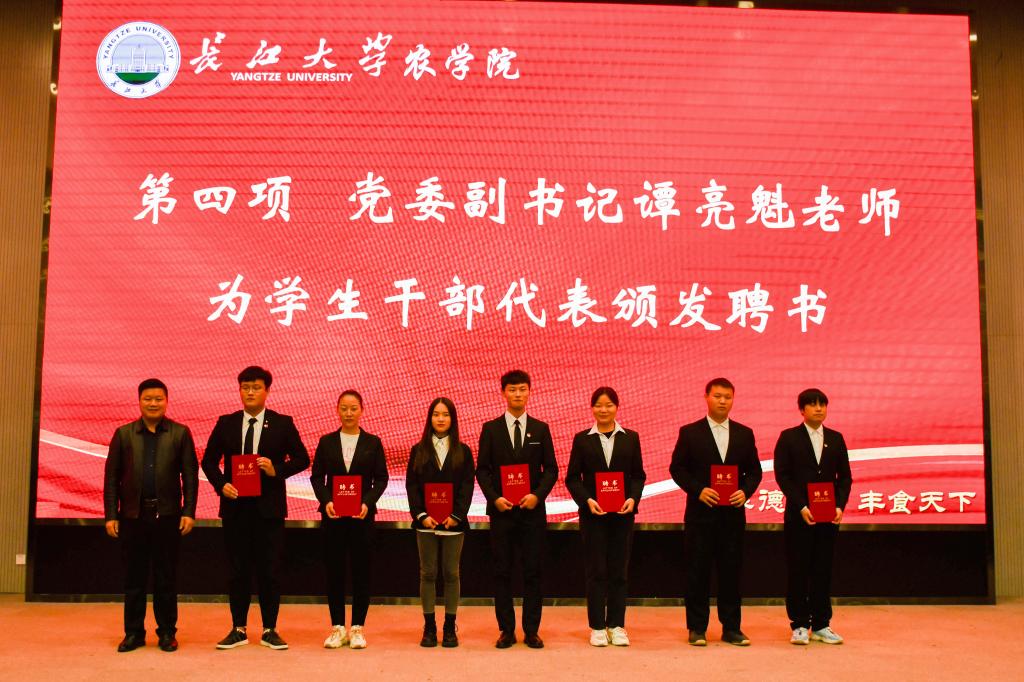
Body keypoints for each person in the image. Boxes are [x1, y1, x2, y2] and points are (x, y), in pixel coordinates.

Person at [201, 366, 310, 651]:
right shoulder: (226, 423)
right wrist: (221, 484)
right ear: (239, 390)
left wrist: (276, 470)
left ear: (267, 391)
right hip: (235, 508)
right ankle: (238, 628)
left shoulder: (282, 423)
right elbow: (209, 461)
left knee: (269, 571)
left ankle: (270, 629)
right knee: (237, 571)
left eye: (256, 387)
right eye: (245, 387)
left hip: (269, 511)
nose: (250, 392)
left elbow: (302, 459)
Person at [104, 378, 198, 653]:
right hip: (132, 518)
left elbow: (190, 477)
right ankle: (133, 633)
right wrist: (111, 515)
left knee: (165, 578)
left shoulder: (180, 433)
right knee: (134, 579)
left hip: (168, 517)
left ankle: (167, 632)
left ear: (166, 401)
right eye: (148, 398)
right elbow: (111, 478)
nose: (153, 403)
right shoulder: (124, 434)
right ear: (139, 401)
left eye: (158, 399)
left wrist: (189, 511)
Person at [669, 378, 762, 647]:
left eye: (727, 397)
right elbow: (677, 469)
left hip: (732, 516)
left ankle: (731, 628)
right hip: (700, 515)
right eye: (717, 396)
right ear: (706, 397)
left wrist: (745, 491)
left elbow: (754, 471)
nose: (722, 401)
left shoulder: (744, 434)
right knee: (697, 572)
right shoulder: (690, 432)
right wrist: (698, 490)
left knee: (731, 573)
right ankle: (697, 628)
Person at [476, 369, 558, 649]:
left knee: (533, 571)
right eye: (512, 389)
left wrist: (537, 495)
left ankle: (531, 630)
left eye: (522, 389)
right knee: (502, 572)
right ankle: (506, 630)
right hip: (502, 513)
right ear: (503, 393)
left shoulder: (540, 429)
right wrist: (495, 498)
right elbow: (482, 470)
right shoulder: (491, 429)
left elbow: (551, 469)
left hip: (532, 513)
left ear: (529, 392)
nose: (517, 394)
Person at [565, 387, 646, 648]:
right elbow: (572, 478)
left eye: (609, 405)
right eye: (599, 405)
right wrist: (587, 501)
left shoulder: (631, 438)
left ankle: (617, 625)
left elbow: (638, 476)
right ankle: (598, 626)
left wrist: (633, 498)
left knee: (619, 571)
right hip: (594, 516)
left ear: (617, 407)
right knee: (596, 570)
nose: (603, 410)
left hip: (623, 515)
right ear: (592, 408)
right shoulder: (582, 439)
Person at [310, 390, 388, 650]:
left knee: (361, 572)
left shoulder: (373, 443)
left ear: (362, 410)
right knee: (334, 572)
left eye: (353, 408)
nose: (349, 413)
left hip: (361, 518)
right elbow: (316, 477)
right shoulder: (326, 442)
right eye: (344, 408)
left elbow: (381, 478)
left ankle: (357, 628)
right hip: (333, 518)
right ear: (337, 410)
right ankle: (337, 627)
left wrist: (367, 502)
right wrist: (326, 501)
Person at [773, 388, 852, 646]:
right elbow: (783, 476)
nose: (819, 409)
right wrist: (801, 506)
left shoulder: (836, 439)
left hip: (828, 518)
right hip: (800, 516)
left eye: (822, 404)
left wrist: (839, 506)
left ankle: (821, 624)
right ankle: (799, 624)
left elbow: (845, 477)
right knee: (798, 570)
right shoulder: (789, 437)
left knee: (823, 570)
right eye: (813, 404)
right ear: (802, 409)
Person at [405, 397, 475, 648]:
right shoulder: (418, 450)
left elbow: (467, 486)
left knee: (451, 573)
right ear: (430, 418)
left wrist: (456, 515)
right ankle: (429, 626)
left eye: (446, 414)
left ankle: (449, 626)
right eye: (436, 414)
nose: (441, 419)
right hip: (426, 523)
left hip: (453, 524)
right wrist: (421, 515)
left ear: (453, 419)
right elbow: (412, 486)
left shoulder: (463, 451)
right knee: (428, 573)